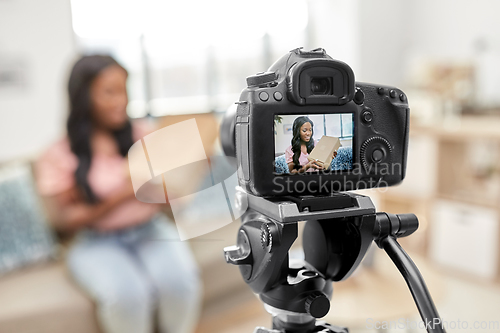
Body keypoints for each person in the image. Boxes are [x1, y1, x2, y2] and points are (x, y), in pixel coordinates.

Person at [35, 55, 201, 333]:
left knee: (181, 284)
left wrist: (187, 175)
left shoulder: (142, 135)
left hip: (151, 230)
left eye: (124, 90)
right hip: (96, 242)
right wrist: (122, 194)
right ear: (83, 97)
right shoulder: (58, 154)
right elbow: (62, 221)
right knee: (127, 297)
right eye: (109, 92)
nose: (120, 101)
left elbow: (172, 199)